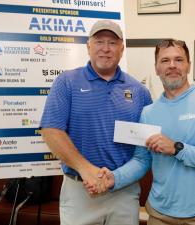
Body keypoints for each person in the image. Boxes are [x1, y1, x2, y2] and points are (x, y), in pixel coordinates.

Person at [40, 19, 152, 225]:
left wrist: (115, 178)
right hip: (80, 191)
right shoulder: (66, 82)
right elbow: (51, 130)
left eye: (112, 43)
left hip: (124, 193)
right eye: (99, 41)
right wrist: (87, 170)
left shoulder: (140, 92)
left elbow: (143, 152)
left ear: (122, 49)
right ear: (88, 46)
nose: (106, 49)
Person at [93, 39, 195, 225]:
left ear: (189, 65)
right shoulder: (149, 112)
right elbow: (142, 160)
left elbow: (176, 149)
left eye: (179, 60)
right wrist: (114, 178)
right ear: (156, 68)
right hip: (158, 214)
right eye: (164, 61)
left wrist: (176, 148)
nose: (172, 66)